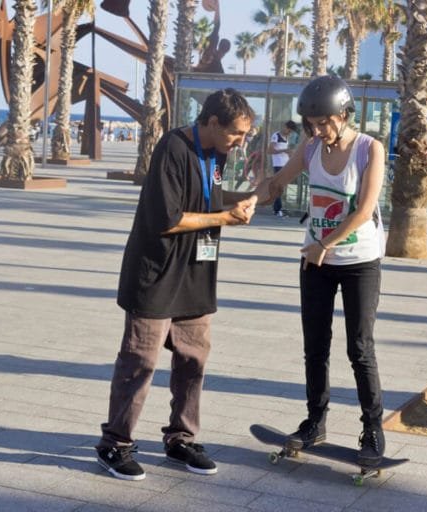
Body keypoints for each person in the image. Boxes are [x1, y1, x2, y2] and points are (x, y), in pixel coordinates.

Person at [95, 88, 257, 481]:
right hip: (156, 272)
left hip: (196, 275)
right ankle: (115, 444)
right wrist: (225, 219)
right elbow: (167, 218)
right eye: (237, 133)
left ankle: (180, 438)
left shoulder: (216, 154)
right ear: (213, 122)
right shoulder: (171, 148)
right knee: (140, 362)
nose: (241, 141)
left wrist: (247, 201)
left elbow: (207, 201)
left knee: (193, 360)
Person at [256, 76, 387, 467]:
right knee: (315, 346)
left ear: (344, 114)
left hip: (359, 261)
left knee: (359, 347)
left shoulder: (369, 149)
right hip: (315, 261)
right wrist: (253, 196)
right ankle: (315, 422)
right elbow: (278, 182)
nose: (316, 129)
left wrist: (324, 245)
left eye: (323, 121)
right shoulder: (311, 147)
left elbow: (364, 210)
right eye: (311, 122)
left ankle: (373, 428)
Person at [268, 120, 298, 217]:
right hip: (278, 165)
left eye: (291, 131)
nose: (289, 132)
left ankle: (278, 208)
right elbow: (270, 150)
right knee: (278, 187)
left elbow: (285, 152)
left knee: (281, 188)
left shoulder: (286, 138)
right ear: (285, 127)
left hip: (285, 165)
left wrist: (290, 155)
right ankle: (277, 209)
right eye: (288, 130)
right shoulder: (276, 136)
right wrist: (284, 150)